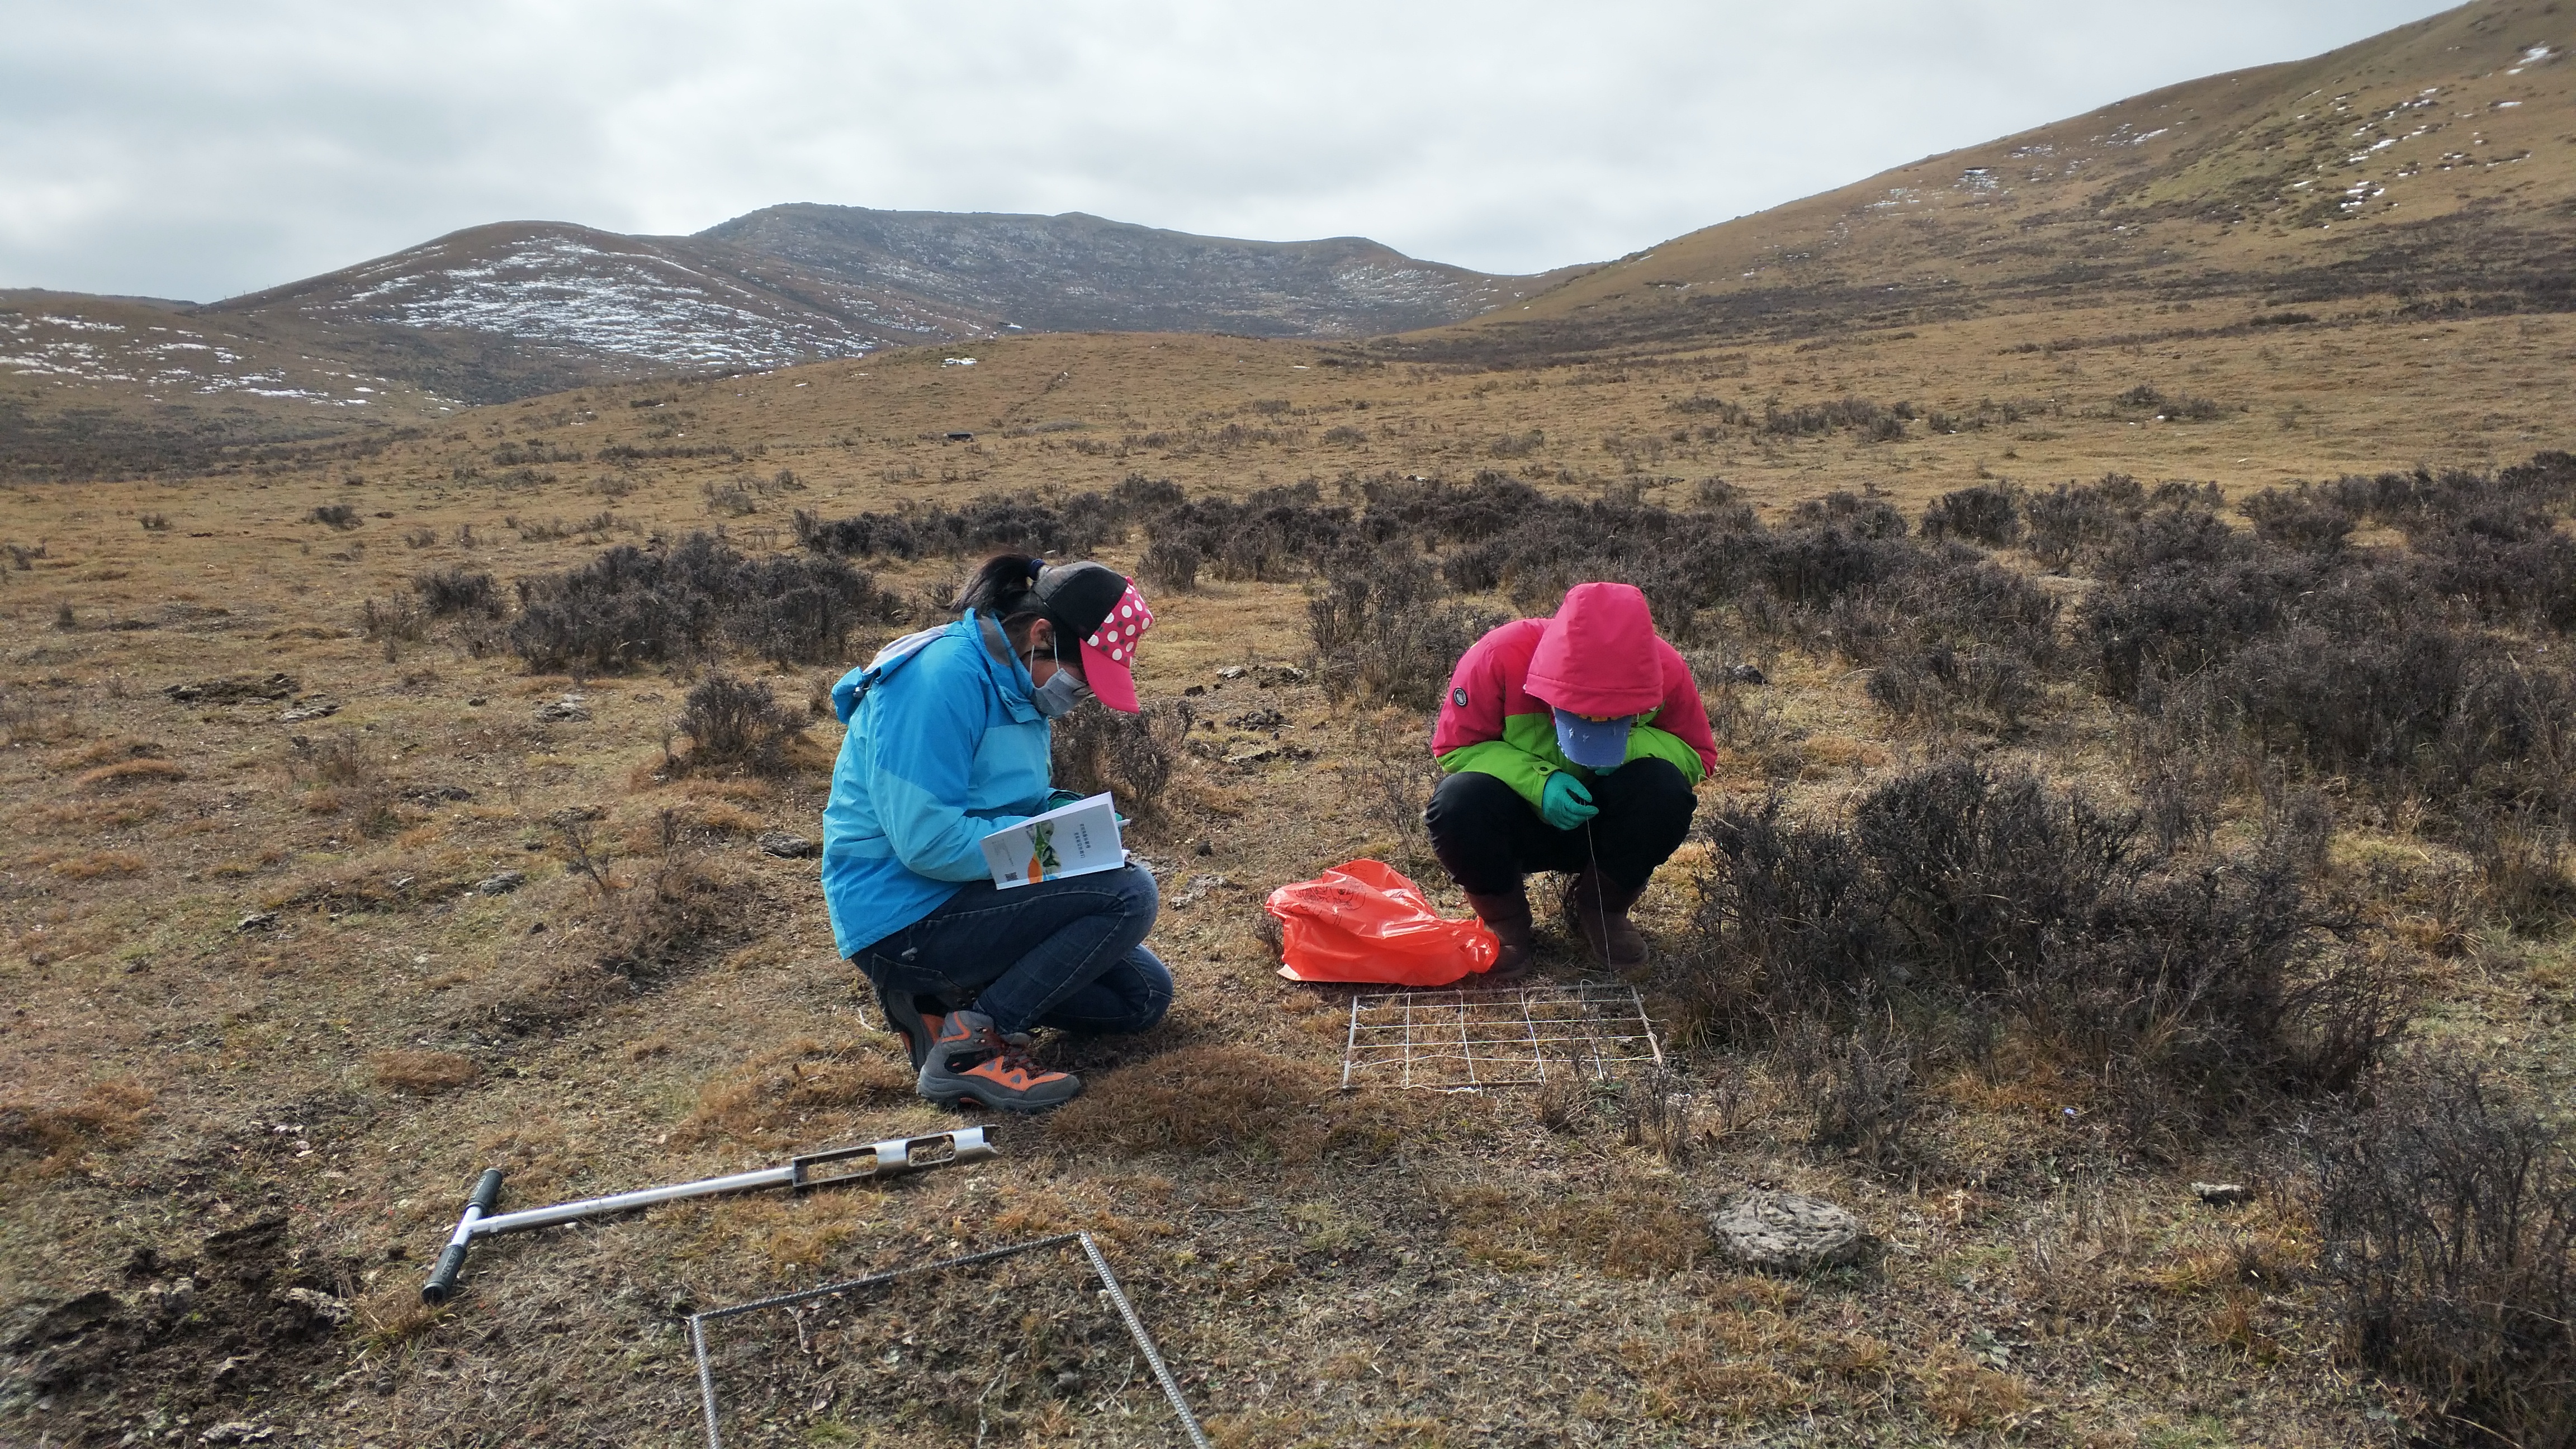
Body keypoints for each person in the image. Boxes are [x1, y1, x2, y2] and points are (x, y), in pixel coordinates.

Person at [820, 553, 1170, 1112]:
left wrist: (1064, 815)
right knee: (1128, 896)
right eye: (1083, 679)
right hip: (901, 917)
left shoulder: (1018, 686)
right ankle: (968, 1050)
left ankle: (939, 1001)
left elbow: (1006, 800)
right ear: (1041, 634)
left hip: (964, 896)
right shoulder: (939, 681)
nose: (1078, 699)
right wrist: (1050, 843)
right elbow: (927, 842)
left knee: (1141, 998)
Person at [1425, 581, 1715, 977]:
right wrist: (1540, 783)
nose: (1598, 724)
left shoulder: (1666, 670)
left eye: (1616, 717)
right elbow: (1455, 748)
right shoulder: (1499, 656)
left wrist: (1630, 749)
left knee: (1665, 790)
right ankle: (1506, 925)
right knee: (1458, 801)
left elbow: (1698, 755)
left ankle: (1603, 910)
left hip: (1606, 826)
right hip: (1518, 821)